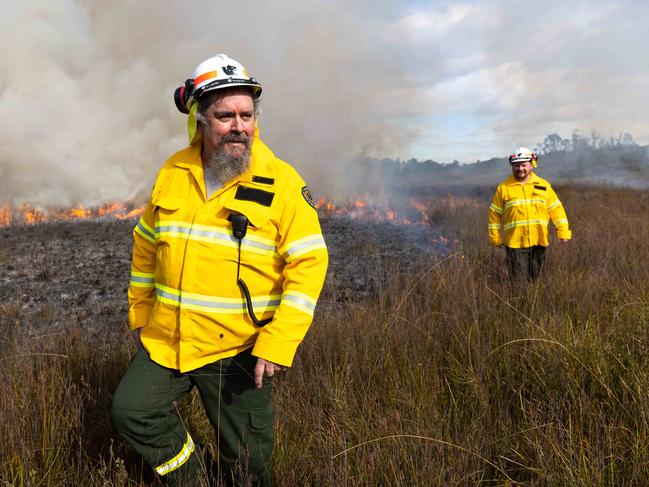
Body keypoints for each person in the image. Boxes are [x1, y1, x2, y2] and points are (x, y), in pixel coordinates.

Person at [111, 54, 329, 486]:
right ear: (200, 118)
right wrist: (141, 312)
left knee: (248, 466)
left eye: (246, 115)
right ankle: (195, 480)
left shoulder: (281, 182)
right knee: (133, 411)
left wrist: (279, 341)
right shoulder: (173, 171)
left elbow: (309, 264)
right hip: (167, 339)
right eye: (224, 115)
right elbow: (146, 244)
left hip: (240, 350)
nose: (238, 126)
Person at [488, 147, 571, 282]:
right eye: (516, 165)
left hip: (539, 240)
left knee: (537, 281)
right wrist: (495, 238)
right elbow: (494, 214)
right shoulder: (503, 188)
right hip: (515, 243)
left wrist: (563, 232)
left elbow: (557, 209)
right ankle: (519, 303)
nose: (520, 168)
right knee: (517, 282)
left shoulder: (544, 186)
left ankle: (535, 302)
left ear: (531, 165)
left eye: (523, 165)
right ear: (512, 166)